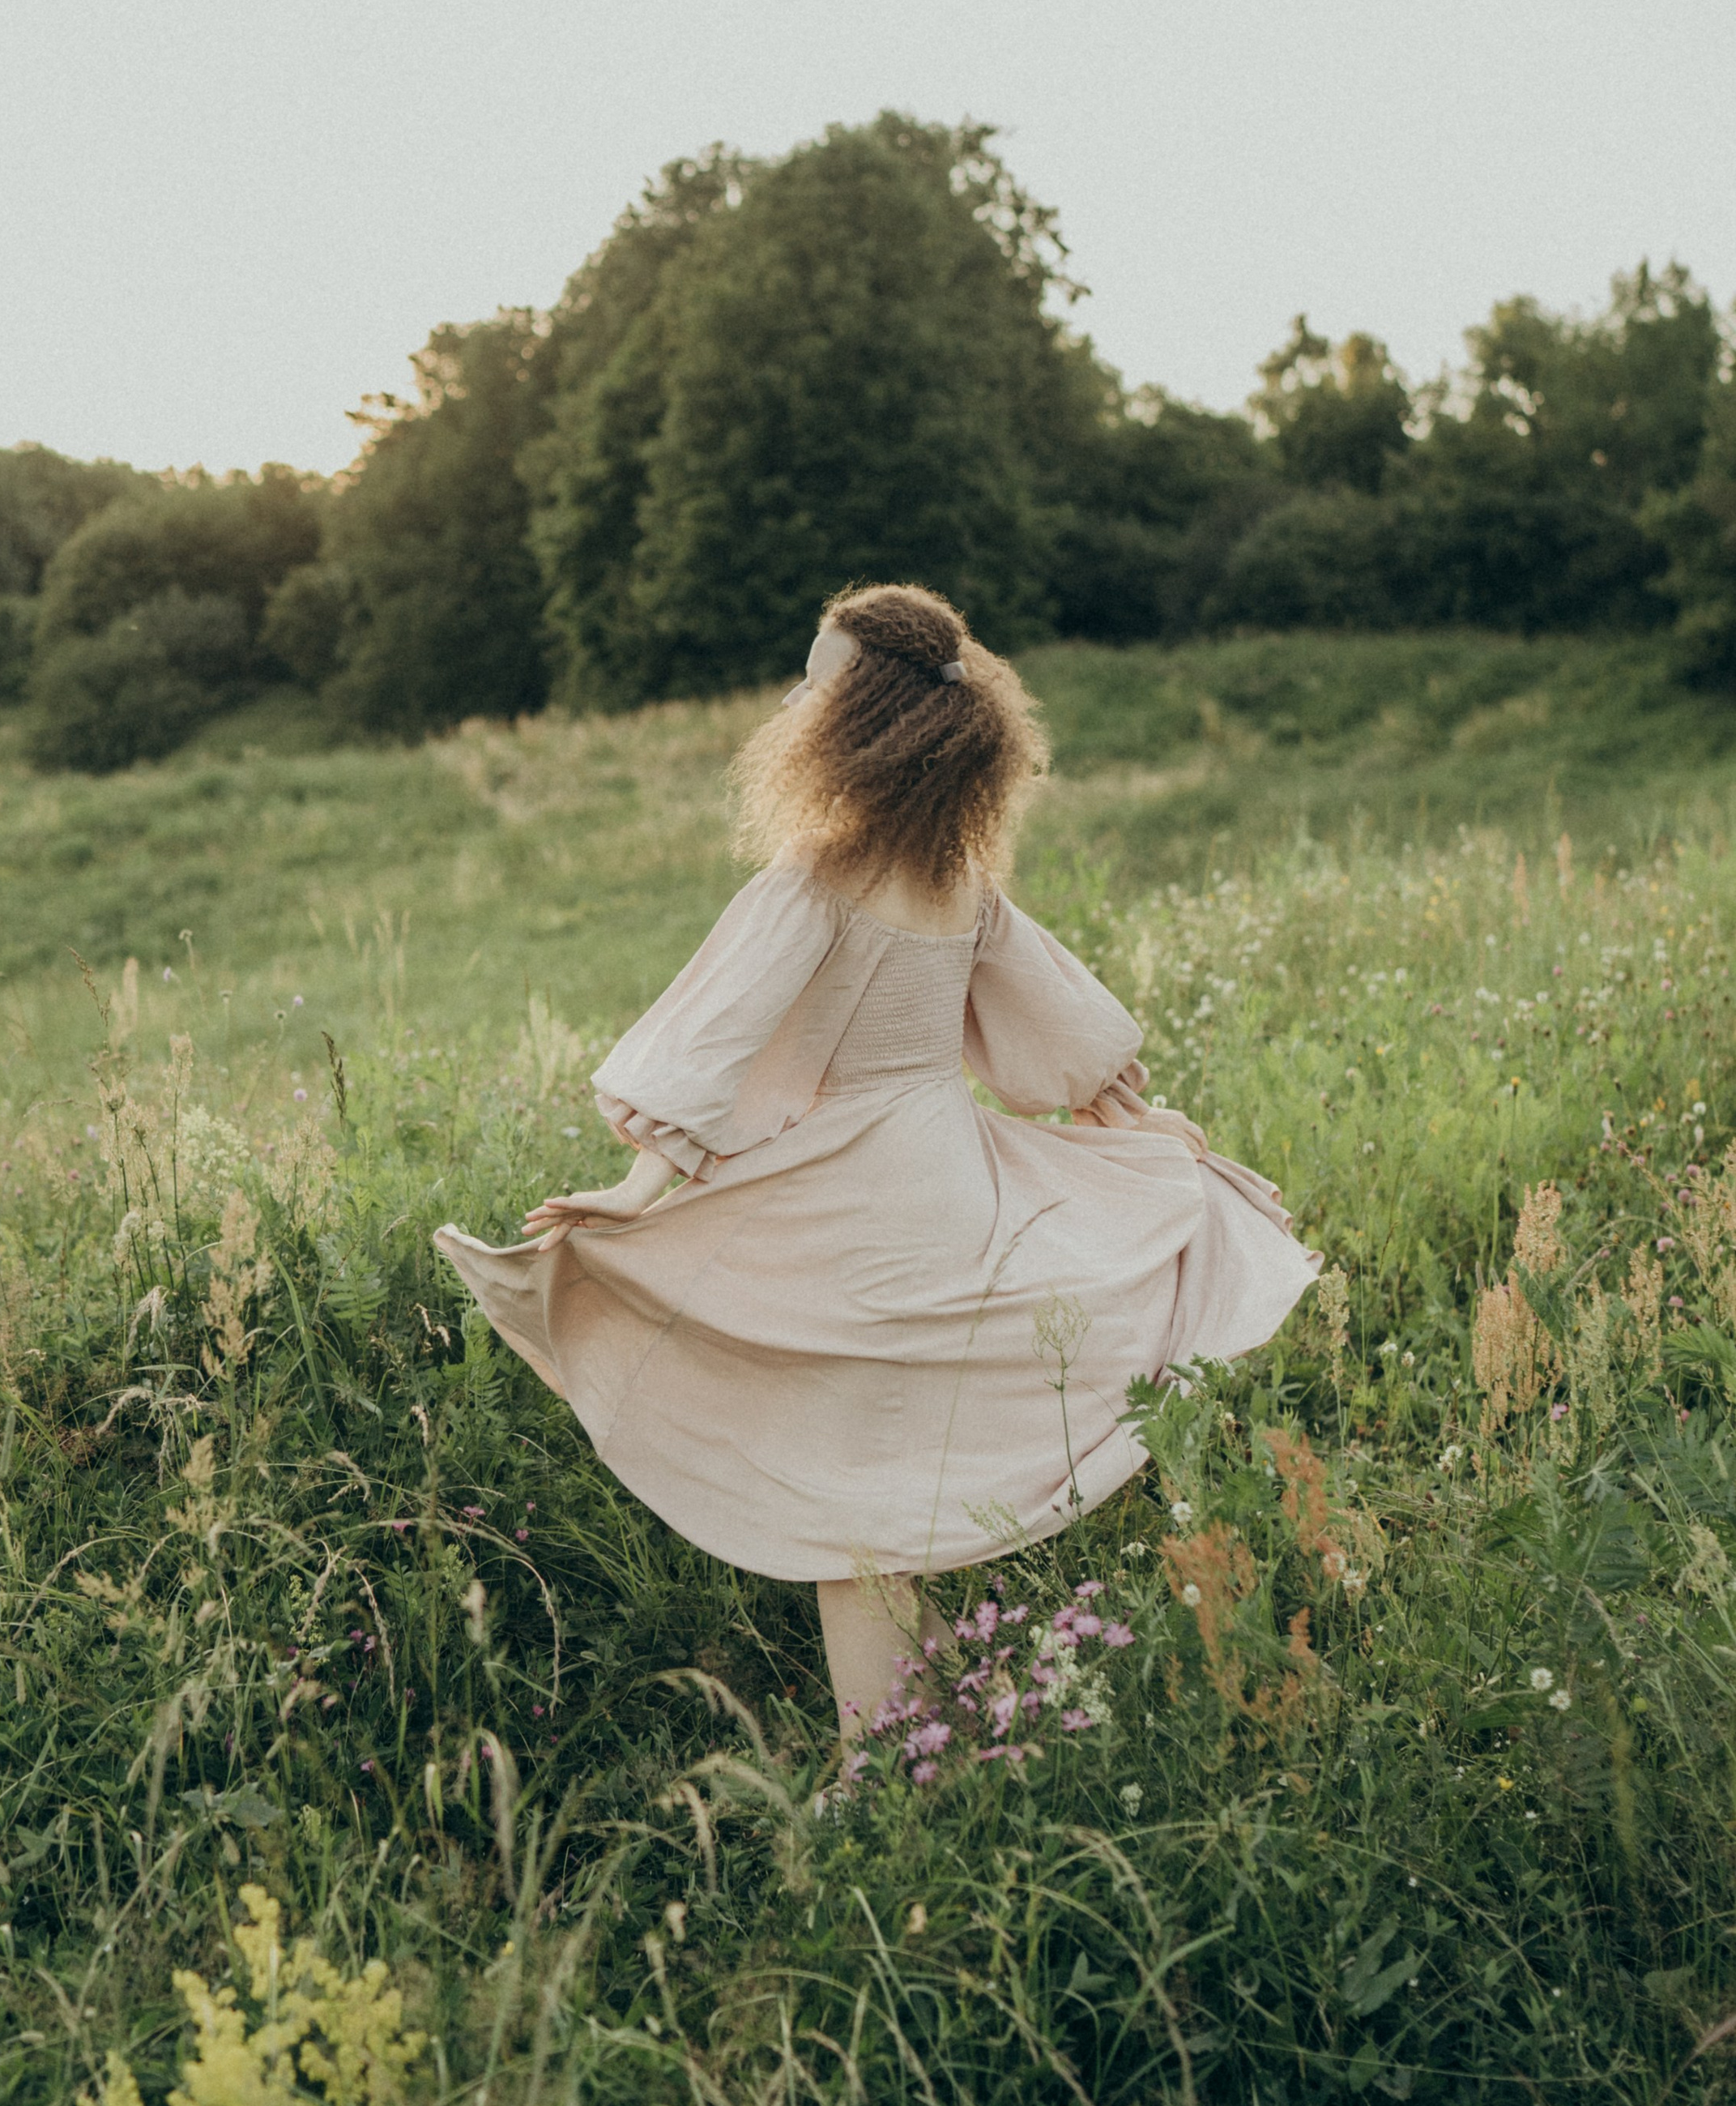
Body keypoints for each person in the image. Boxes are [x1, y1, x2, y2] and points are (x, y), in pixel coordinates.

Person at [434, 583, 1316, 1741]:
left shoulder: (815, 878)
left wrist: (638, 1194)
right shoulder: (961, 882)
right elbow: (1063, 1036)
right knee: (895, 1477)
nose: (796, 698)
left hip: (853, 1194)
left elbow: (708, 1049)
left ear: (864, 720)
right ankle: (935, 1718)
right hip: (951, 1179)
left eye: (816, 680)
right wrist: (1131, 1131)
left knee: (856, 1498)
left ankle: (883, 1754)